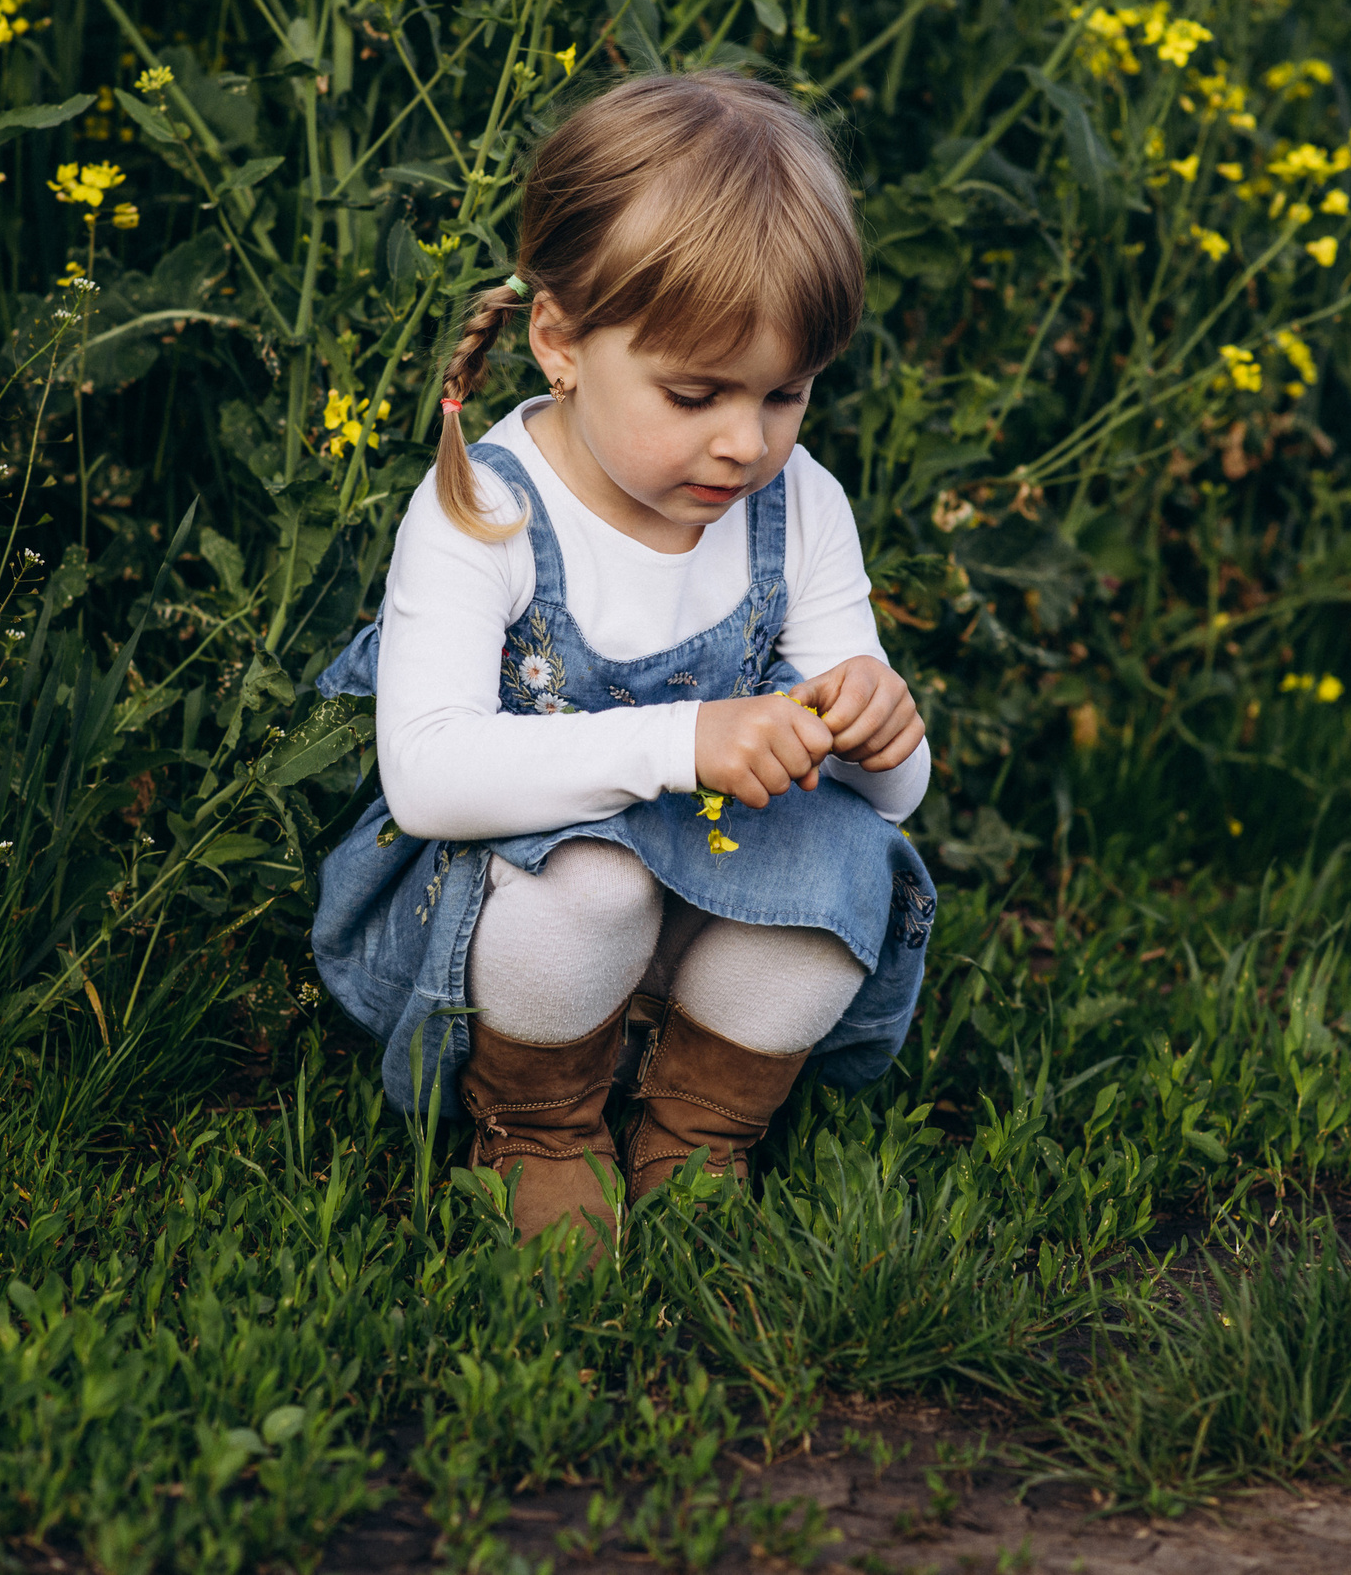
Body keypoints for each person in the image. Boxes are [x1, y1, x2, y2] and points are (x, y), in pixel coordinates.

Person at [312, 69, 936, 1246]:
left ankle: (700, 1124)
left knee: (846, 863)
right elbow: (430, 776)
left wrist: (877, 728)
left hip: (712, 883)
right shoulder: (482, 508)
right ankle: (540, 1122)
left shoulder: (798, 506)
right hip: (501, 916)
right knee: (590, 882)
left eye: (785, 394)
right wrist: (682, 739)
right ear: (559, 340)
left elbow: (885, 798)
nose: (744, 441)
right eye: (695, 393)